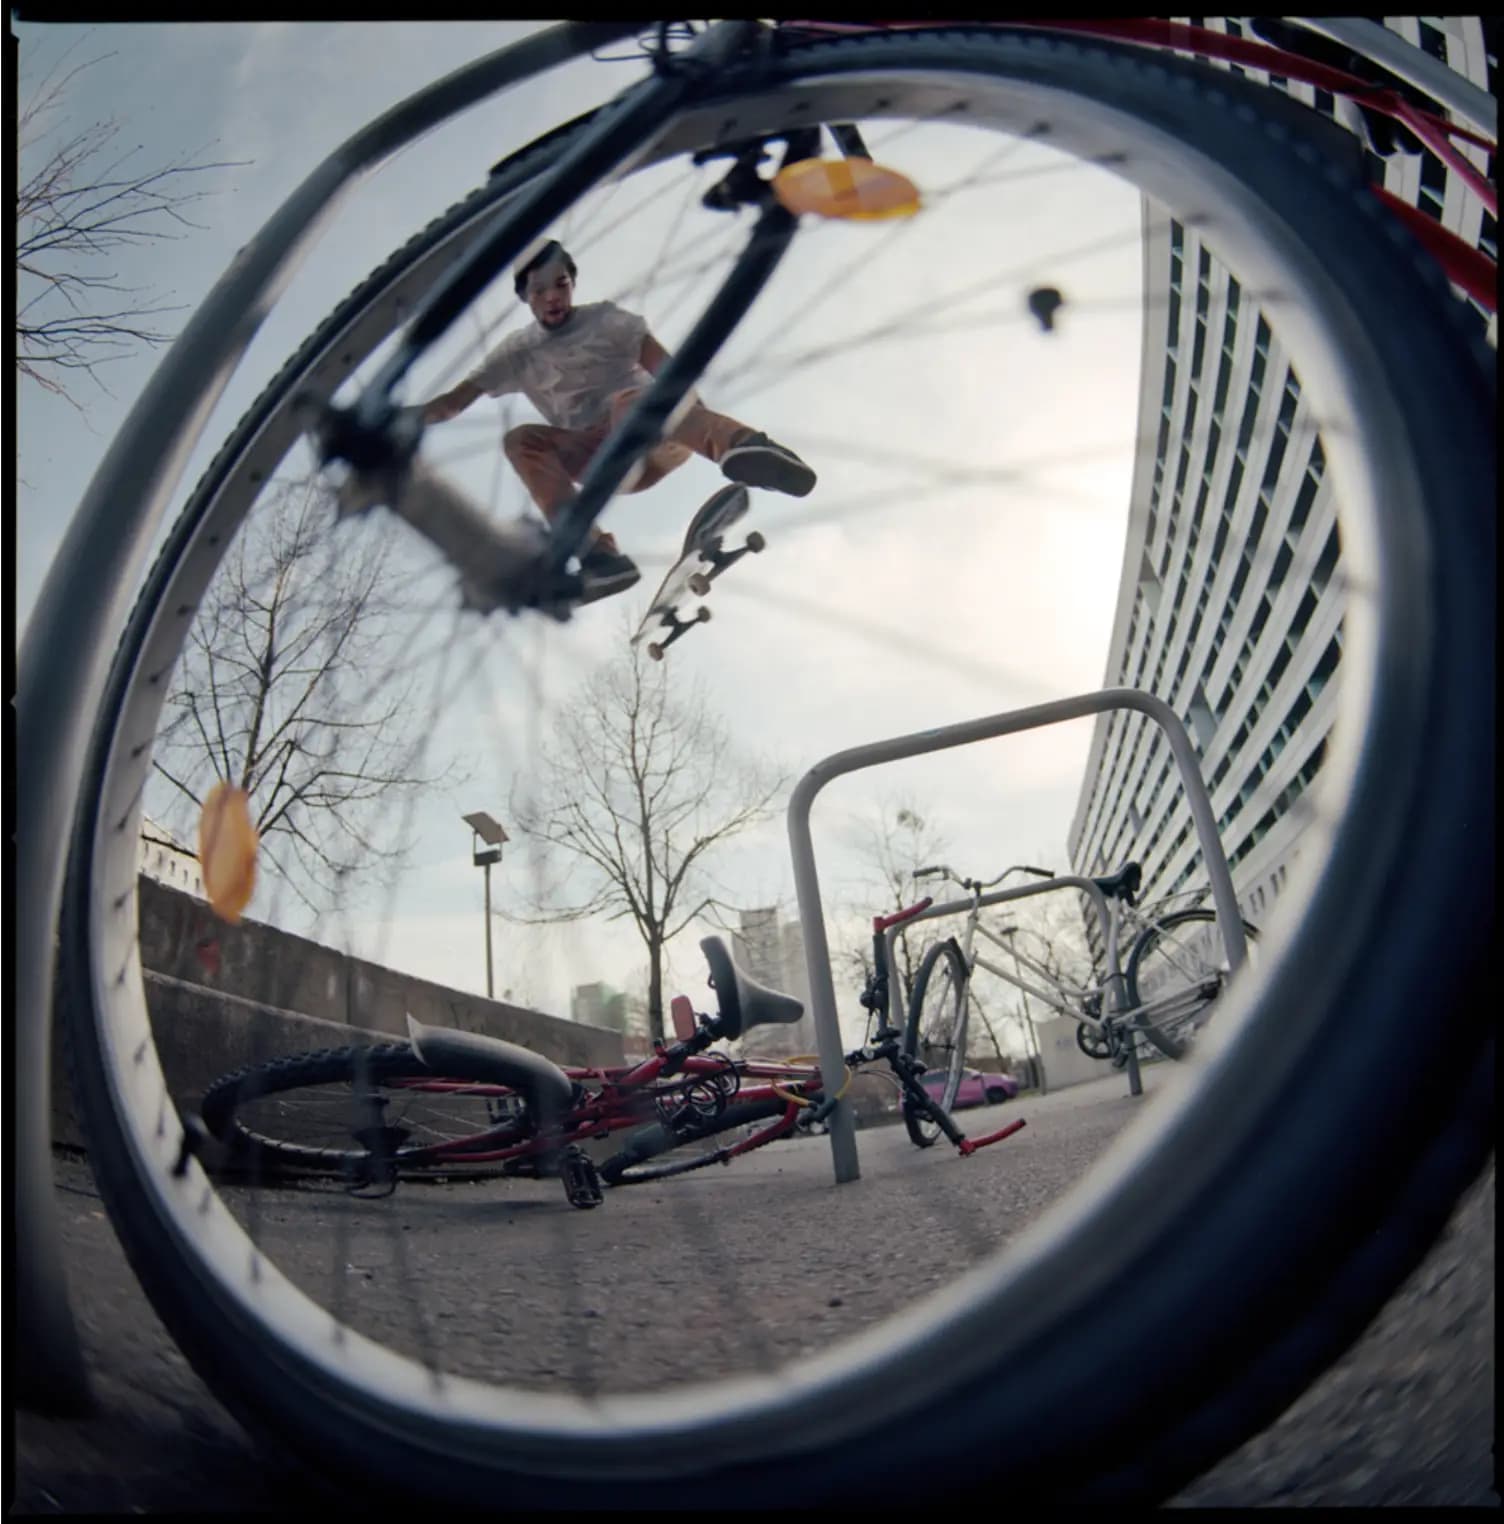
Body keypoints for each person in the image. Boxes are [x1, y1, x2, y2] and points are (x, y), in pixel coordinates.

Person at [423, 238, 816, 601]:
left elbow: (671, 373)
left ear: (572, 282)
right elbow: (451, 403)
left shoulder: (606, 320)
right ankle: (597, 557)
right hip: (601, 456)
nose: (552, 299)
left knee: (628, 406)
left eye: (560, 285)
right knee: (520, 439)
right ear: (525, 296)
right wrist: (397, 421)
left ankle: (749, 447)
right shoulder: (516, 352)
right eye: (539, 291)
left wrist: (704, 425)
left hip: (659, 428)